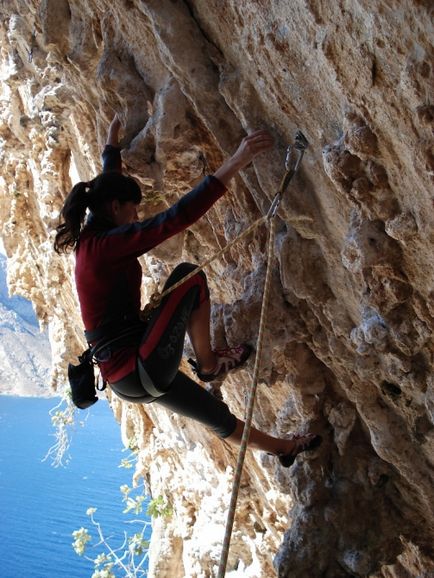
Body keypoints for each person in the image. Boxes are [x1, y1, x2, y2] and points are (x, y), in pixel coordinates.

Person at [54, 114, 321, 466]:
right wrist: (236, 161)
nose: (136, 218)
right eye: (133, 211)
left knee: (216, 416)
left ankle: (285, 449)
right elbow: (174, 219)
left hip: (128, 378)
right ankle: (209, 364)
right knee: (189, 275)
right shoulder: (108, 244)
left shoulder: (94, 234)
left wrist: (111, 146)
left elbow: (109, 186)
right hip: (138, 365)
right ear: (116, 209)